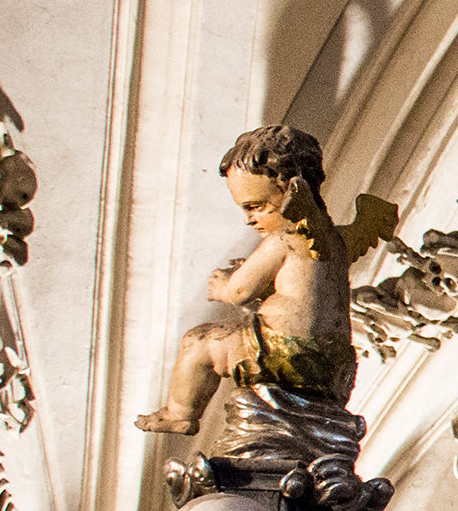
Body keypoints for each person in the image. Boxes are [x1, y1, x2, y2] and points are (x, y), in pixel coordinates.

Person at [134, 125, 388, 434]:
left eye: (257, 207)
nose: (248, 219)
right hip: (336, 367)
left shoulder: (286, 235)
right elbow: (308, 287)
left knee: (199, 343)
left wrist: (222, 287)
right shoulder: (336, 239)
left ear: (292, 192)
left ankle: (180, 413)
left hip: (283, 353)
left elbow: (241, 290)